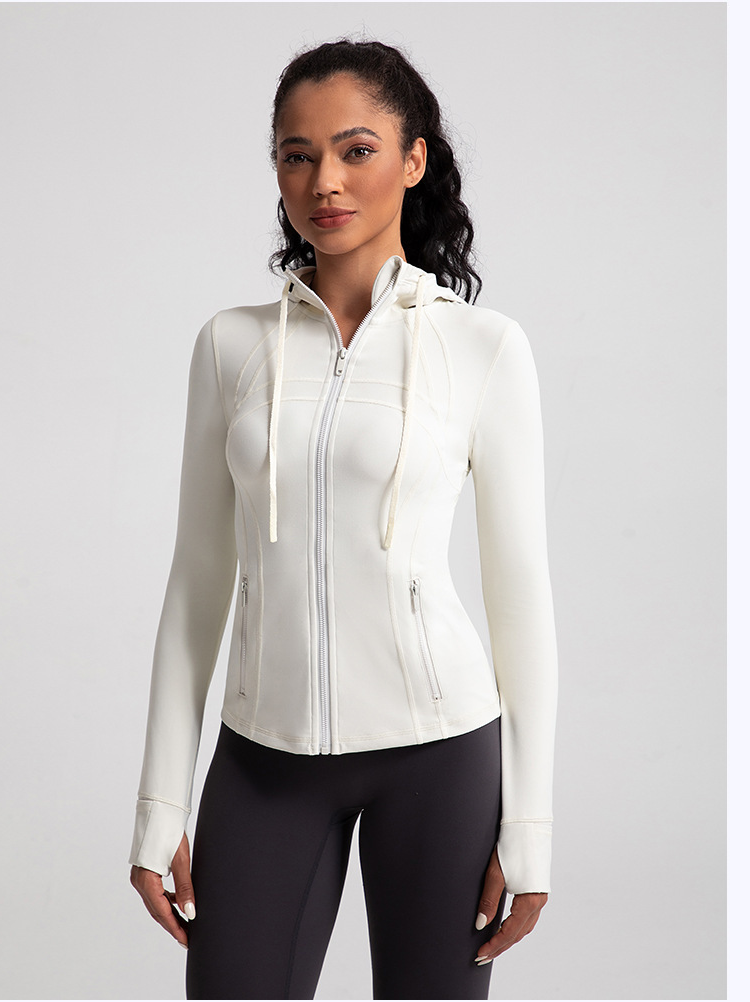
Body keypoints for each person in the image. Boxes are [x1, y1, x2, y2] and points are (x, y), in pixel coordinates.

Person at [129, 38, 558, 1002]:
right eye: (297, 154)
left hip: (440, 752)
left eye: (356, 150)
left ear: (413, 159)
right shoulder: (231, 346)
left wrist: (529, 824)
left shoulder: (484, 348)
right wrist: (160, 802)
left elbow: (520, 594)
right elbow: (197, 583)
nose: (324, 180)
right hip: (263, 758)